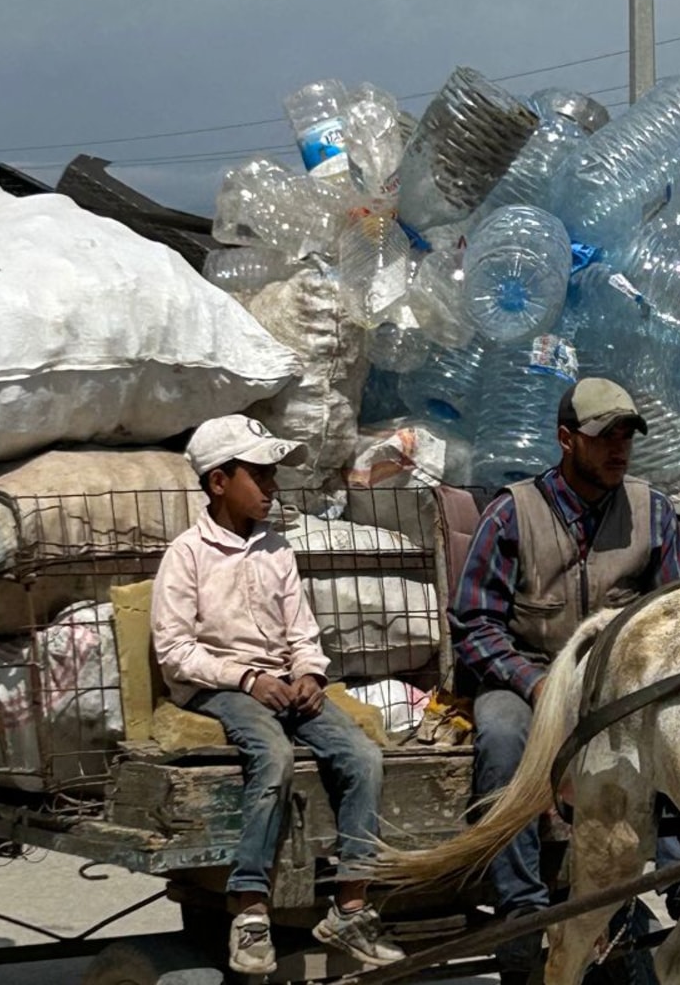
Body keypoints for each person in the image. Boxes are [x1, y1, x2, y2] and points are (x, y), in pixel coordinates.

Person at [451, 378, 680, 984]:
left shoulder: (652, 512)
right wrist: (538, 686)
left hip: (619, 686)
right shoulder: (512, 514)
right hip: (528, 677)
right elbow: (475, 624)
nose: (619, 448)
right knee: (502, 738)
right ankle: (522, 912)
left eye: (627, 436)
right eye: (604, 436)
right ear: (566, 440)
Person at [152, 415, 406, 976]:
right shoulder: (188, 554)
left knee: (363, 756)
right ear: (219, 482)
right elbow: (175, 651)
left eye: (273, 476)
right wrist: (247, 679)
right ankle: (249, 908)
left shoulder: (276, 549)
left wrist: (310, 674)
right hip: (220, 688)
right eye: (260, 476)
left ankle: (351, 905)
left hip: (283, 683)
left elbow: (302, 632)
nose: (272, 487)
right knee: (273, 754)